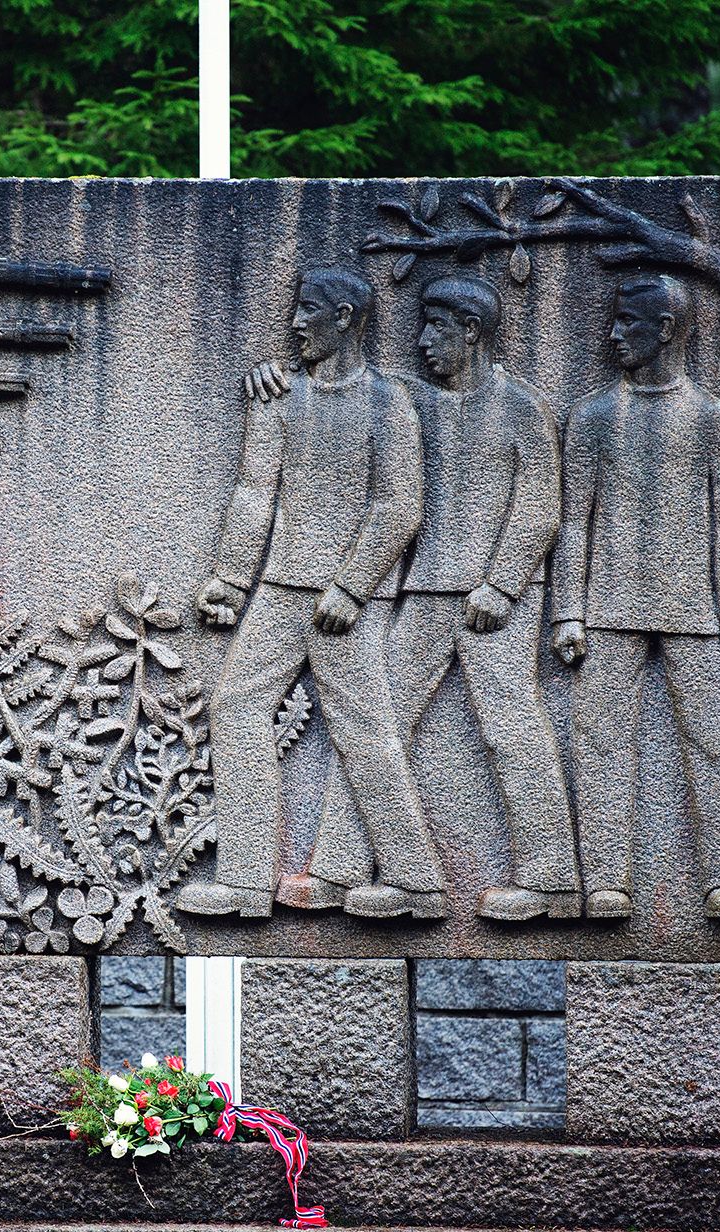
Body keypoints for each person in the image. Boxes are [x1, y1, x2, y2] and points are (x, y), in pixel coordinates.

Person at [249, 275, 581, 921]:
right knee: (376, 728)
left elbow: (540, 509)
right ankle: (340, 872)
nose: (423, 341)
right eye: (421, 326)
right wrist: (270, 372)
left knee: (511, 728)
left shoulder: (521, 407)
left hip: (497, 604)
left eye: (437, 328)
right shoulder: (410, 402)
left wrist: (502, 583)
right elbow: (338, 388)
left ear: (473, 333)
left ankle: (554, 882)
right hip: (425, 592)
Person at [183, 267, 446, 920]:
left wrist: (353, 587)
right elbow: (253, 491)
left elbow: (398, 506)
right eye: (295, 309)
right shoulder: (279, 398)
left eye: (309, 310)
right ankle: (245, 882)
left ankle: (417, 882)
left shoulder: (388, 404)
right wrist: (229, 579)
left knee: (366, 732)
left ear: (349, 318)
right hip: (278, 587)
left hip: (343, 605)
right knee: (236, 707)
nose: (295, 322)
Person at [550, 273, 720, 920]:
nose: (614, 333)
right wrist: (567, 611)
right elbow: (571, 521)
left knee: (717, 742)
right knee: (600, 743)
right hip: (609, 609)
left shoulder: (711, 418)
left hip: (696, 612)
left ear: (666, 330)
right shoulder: (591, 418)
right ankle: (606, 880)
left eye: (629, 322)